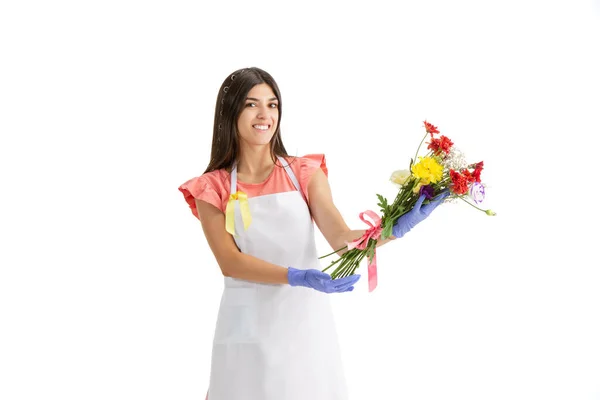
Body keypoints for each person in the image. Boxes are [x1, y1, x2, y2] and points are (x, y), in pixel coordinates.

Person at [178, 67, 447, 400]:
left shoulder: (304, 172)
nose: (265, 114)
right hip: (245, 322)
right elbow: (230, 262)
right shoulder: (212, 187)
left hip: (303, 321)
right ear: (230, 112)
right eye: (251, 105)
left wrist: (395, 227)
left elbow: (340, 238)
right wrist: (297, 276)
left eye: (272, 104)